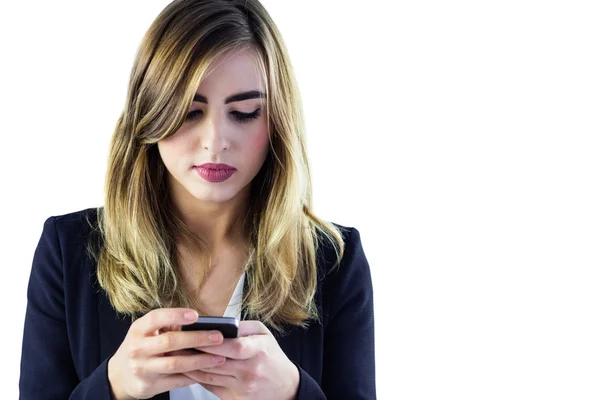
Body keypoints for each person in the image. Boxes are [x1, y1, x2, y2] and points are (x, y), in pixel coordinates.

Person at [19, 0, 376, 399]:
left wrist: (293, 392)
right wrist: (113, 385)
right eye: (190, 112)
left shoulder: (334, 262)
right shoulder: (68, 250)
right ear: (150, 113)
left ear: (278, 119)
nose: (215, 143)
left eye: (244, 112)